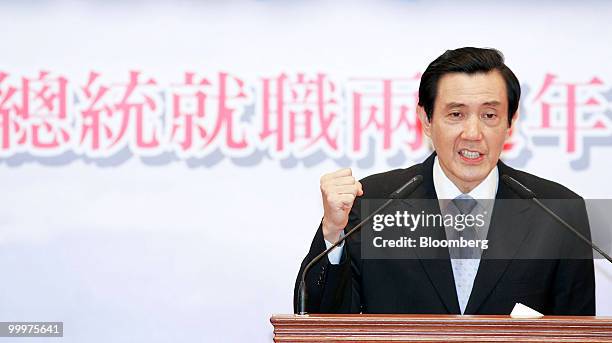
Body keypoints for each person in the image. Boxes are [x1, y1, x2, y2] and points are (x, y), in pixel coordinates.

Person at [294, 47, 595, 315]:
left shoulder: (558, 211)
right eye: (456, 114)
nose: (473, 133)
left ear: (510, 123)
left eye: (489, 115)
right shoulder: (372, 203)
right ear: (426, 120)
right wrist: (333, 234)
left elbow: (579, 333)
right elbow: (320, 318)